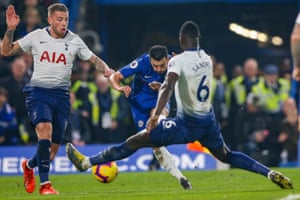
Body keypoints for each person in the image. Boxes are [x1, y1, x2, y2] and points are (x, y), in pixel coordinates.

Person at [66, 21, 293, 190]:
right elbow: (183, 83)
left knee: (135, 141)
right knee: (226, 155)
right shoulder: (206, 58)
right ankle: (268, 172)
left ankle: (87, 162)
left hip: (186, 124)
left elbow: (169, 85)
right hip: (208, 120)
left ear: (181, 40)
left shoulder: (177, 60)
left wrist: (156, 115)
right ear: (198, 39)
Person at [1, 4, 113, 195]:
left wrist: (110, 72)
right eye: (59, 19)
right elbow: (7, 51)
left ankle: (28, 166)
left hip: (61, 96)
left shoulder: (74, 40)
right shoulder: (36, 36)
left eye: (66, 19)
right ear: (50, 19)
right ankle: (45, 184)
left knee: (51, 152)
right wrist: (10, 30)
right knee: (45, 130)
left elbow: (94, 59)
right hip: (38, 92)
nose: (63, 23)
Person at [108, 45, 192, 189]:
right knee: (155, 144)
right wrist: (120, 87)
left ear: (167, 59)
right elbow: (114, 77)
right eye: (155, 66)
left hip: (159, 101)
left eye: (162, 65)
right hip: (138, 104)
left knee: (158, 123)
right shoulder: (142, 62)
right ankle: (180, 177)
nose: (159, 69)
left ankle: (181, 178)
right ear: (150, 60)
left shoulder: (176, 64)